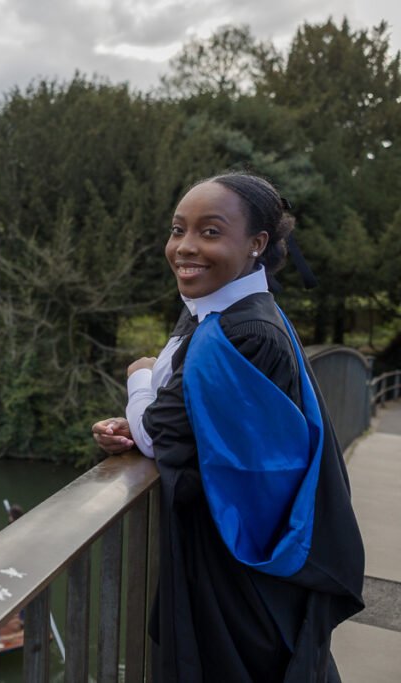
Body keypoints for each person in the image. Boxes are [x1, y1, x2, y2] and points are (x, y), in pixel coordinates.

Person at [91, 173, 363, 682]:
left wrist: (139, 377)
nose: (185, 247)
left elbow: (159, 433)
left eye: (210, 232)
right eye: (178, 230)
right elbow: (185, 424)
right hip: (231, 559)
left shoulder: (243, 332)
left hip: (240, 577)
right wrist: (139, 416)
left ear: (257, 243)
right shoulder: (215, 311)